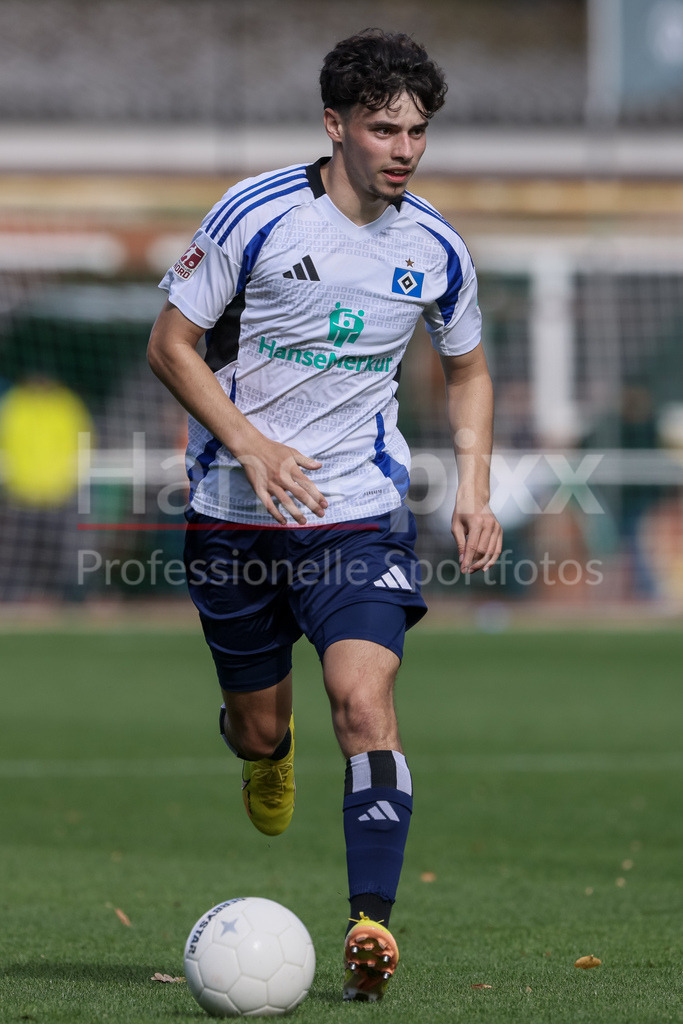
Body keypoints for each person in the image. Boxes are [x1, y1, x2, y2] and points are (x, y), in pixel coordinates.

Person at [148, 28, 502, 1002]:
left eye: (416, 130)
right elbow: (170, 344)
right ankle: (263, 745)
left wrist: (473, 485)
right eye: (382, 127)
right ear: (333, 124)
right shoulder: (255, 215)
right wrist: (251, 443)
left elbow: (465, 366)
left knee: (363, 702)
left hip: (356, 516)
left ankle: (369, 926)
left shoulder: (433, 245)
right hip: (231, 514)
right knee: (263, 732)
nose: (402, 147)